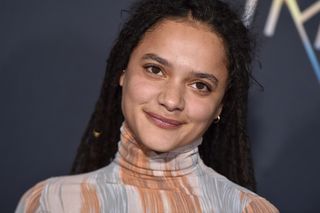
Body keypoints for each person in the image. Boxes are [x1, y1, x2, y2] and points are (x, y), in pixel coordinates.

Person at [16, 0, 279, 212]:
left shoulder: (249, 210)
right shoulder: (51, 202)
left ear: (221, 105)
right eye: (155, 70)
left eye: (200, 85)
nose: (171, 100)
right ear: (122, 72)